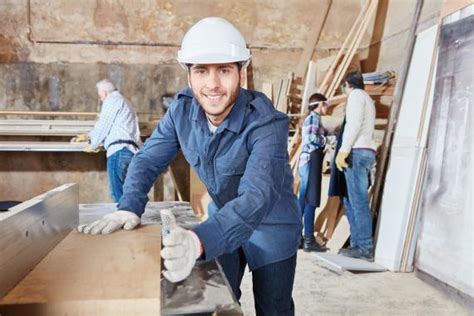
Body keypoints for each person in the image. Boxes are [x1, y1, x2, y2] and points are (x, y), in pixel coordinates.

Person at [77, 17, 301, 315]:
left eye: (224, 70)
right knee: (220, 299)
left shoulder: (267, 122)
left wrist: (198, 241)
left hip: (271, 225)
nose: (213, 84)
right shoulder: (181, 111)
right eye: (201, 71)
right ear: (189, 76)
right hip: (223, 214)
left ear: (241, 74)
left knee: (274, 308)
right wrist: (129, 205)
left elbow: (256, 196)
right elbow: (146, 159)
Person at [72, 79, 141, 203]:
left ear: (104, 92)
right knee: (128, 193)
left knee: (118, 194)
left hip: (118, 151)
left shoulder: (112, 101)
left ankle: (122, 220)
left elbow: (104, 125)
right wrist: (88, 136)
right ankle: (131, 218)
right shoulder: (125, 102)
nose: (101, 99)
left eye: (100, 95)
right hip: (130, 151)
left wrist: (93, 143)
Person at [335, 71, 376, 261]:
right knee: (350, 200)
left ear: (347, 84)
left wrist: (344, 149)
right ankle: (357, 244)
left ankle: (365, 246)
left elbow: (354, 124)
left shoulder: (356, 97)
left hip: (357, 151)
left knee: (357, 201)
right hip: (364, 151)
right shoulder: (366, 98)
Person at [298, 93, 329, 252]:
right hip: (310, 161)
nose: (327, 108)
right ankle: (309, 239)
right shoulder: (313, 118)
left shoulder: (312, 119)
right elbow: (312, 139)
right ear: (318, 105)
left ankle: (297, 238)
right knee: (310, 200)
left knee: (303, 201)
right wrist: (326, 140)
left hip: (307, 162)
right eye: (325, 104)